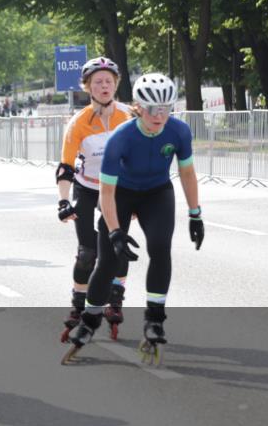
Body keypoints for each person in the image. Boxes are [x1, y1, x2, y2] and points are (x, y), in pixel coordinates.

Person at [63, 73, 205, 365]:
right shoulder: (121, 138)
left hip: (156, 192)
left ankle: (155, 319)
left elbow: (187, 174)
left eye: (166, 108)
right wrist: (115, 232)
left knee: (160, 248)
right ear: (138, 107)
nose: (159, 115)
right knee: (107, 260)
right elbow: (107, 190)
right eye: (153, 109)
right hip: (121, 195)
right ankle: (89, 320)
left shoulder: (178, 131)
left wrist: (195, 214)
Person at [56, 57, 133, 342]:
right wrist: (63, 201)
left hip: (118, 189)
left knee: (118, 246)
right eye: (98, 82)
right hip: (87, 187)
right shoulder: (78, 123)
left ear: (116, 85)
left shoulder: (128, 115)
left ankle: (114, 301)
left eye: (109, 81)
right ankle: (78, 305)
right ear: (87, 87)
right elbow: (65, 167)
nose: (104, 86)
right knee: (87, 252)